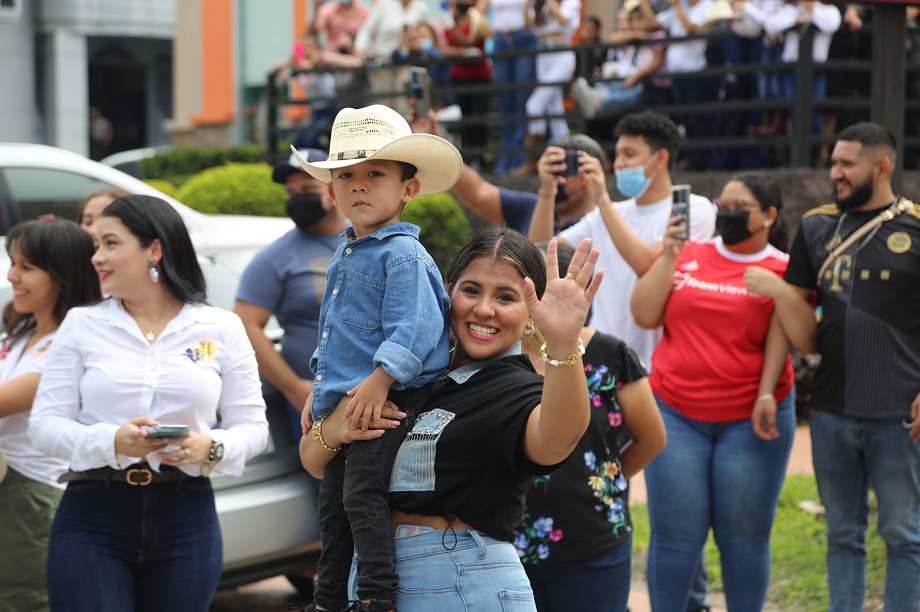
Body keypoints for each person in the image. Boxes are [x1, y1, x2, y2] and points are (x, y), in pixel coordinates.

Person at [301, 226, 604, 612]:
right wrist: (335, 427)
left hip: (460, 583)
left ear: (530, 313)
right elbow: (313, 460)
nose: (484, 309)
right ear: (446, 293)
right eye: (471, 290)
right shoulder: (397, 372)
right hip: (367, 584)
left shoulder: (512, 387)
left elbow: (557, 438)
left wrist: (563, 345)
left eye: (506, 297)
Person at [29, 195, 270, 611]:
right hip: (92, 514)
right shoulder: (82, 324)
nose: (96, 257)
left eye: (110, 244)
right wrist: (114, 441)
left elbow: (253, 426)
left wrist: (209, 447)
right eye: (97, 246)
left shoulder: (221, 327)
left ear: (154, 249)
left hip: (187, 514)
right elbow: (45, 426)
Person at [290, 104, 462, 612]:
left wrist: (380, 380)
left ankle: (377, 597)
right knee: (332, 504)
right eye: (347, 175)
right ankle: (326, 599)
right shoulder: (347, 251)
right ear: (332, 190)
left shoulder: (403, 255)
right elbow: (335, 334)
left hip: (391, 394)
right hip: (347, 398)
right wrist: (317, 393)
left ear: (408, 189)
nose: (359, 185)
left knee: (363, 496)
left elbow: (416, 327)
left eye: (375, 174)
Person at [749, 122, 920, 611]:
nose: (835, 174)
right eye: (833, 162)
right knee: (843, 533)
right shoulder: (818, 226)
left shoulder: (915, 227)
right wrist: (767, 387)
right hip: (832, 410)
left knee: (904, 534)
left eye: (847, 164)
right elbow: (795, 326)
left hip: (900, 415)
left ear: (881, 166)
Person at [630, 172, 796, 611]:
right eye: (723, 203)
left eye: (740, 207)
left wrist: (765, 393)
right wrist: (668, 255)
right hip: (675, 412)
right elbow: (644, 313)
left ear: (769, 216)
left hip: (749, 419)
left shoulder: (782, 268)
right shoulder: (689, 253)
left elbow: (790, 338)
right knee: (675, 536)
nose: (727, 212)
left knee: (743, 539)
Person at [514, 241, 667, 612]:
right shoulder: (499, 357)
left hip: (595, 542)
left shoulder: (610, 354)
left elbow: (651, 438)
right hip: (505, 544)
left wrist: (604, 480)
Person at [529, 110, 716, 368]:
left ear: (660, 158)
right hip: (596, 360)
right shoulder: (605, 214)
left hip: (655, 365)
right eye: (617, 155)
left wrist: (603, 200)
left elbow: (647, 265)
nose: (618, 164)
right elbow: (539, 254)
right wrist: (547, 190)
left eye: (629, 154)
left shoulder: (695, 208)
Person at [0, 219, 101, 612]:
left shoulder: (68, 344)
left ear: (63, 273)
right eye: (12, 263)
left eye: (27, 267)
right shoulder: (22, 332)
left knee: (29, 601)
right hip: (14, 497)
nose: (12, 276)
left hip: (34, 500)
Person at [234, 148, 348, 441]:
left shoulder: (369, 240)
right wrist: (294, 387)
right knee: (333, 486)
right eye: (292, 193)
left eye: (309, 189)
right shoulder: (275, 258)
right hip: (317, 405)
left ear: (334, 190)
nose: (299, 199)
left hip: (374, 396)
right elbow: (245, 326)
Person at [512, 0, 581, 176]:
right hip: (543, 56)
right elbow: (529, 24)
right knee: (555, 112)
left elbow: (566, 22)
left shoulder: (570, 2)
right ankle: (568, 162)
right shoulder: (540, 5)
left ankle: (532, 161)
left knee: (534, 105)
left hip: (562, 54)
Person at [490, 0, 540, 173]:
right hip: (501, 40)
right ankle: (505, 159)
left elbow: (533, 18)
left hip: (525, 37)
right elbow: (478, 10)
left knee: (522, 101)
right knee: (505, 103)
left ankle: (519, 160)